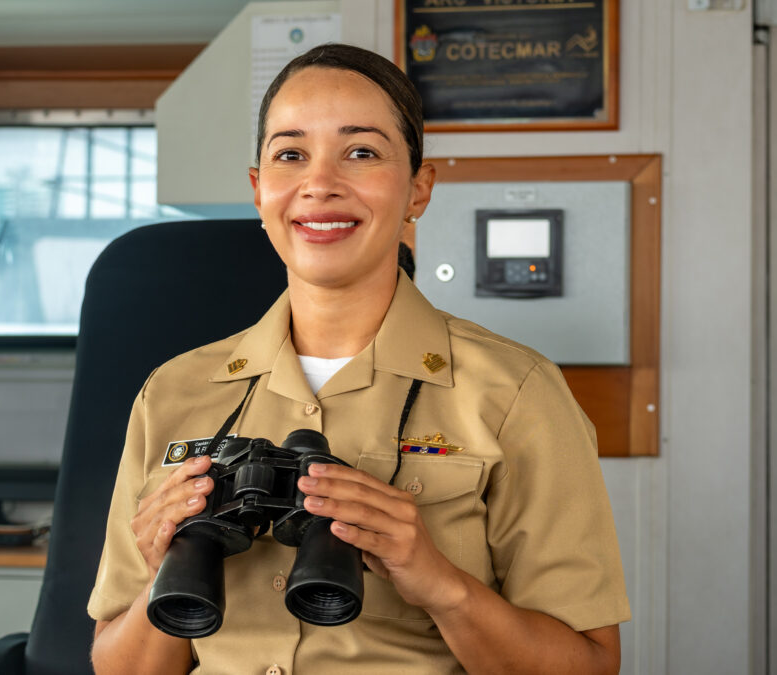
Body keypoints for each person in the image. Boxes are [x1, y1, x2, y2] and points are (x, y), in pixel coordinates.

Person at [88, 43, 630, 674]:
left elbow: (587, 666)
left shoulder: (515, 393)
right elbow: (118, 667)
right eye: (291, 154)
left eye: (362, 152)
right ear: (260, 191)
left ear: (418, 190)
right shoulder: (174, 392)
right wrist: (165, 572)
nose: (319, 184)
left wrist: (435, 579)